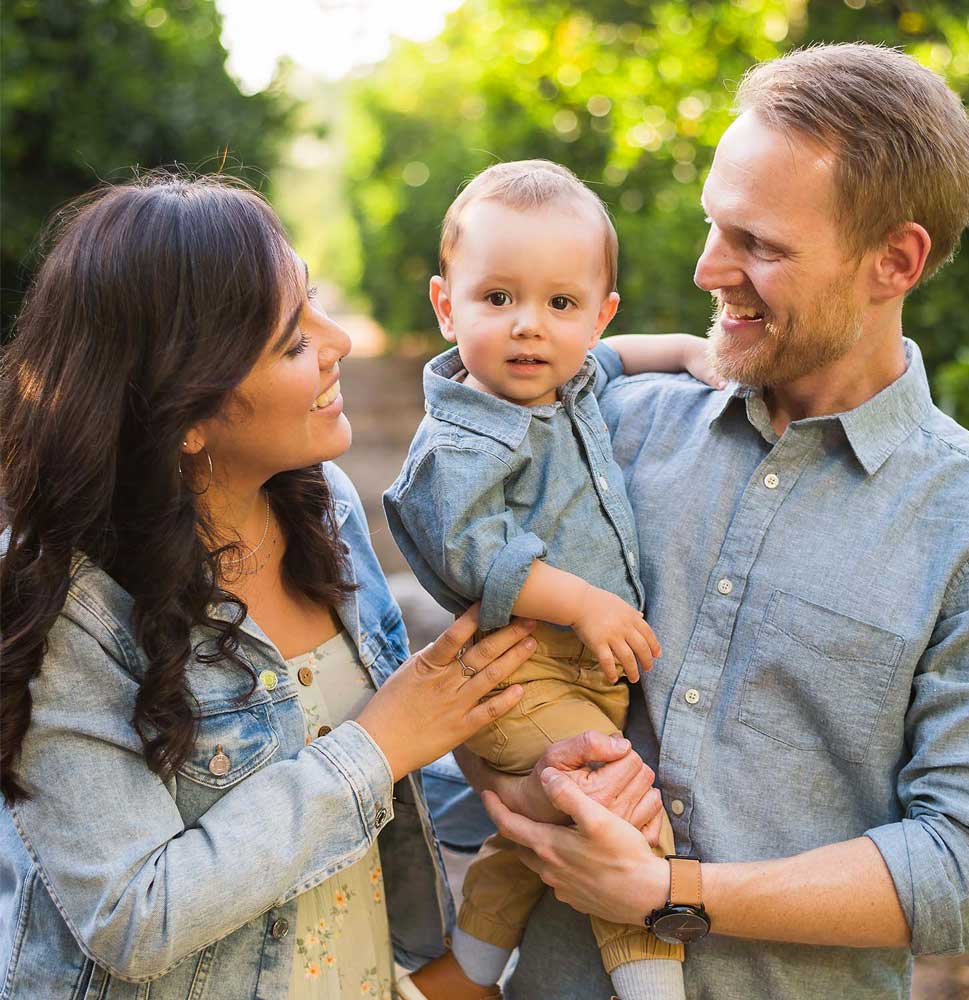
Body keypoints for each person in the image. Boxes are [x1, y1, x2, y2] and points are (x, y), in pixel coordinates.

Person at [465, 43, 969, 999]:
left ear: (896, 260)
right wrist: (525, 771)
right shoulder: (608, 432)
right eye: (717, 227)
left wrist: (673, 894)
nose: (712, 269)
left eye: (760, 244)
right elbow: (471, 665)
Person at [0, 173, 559, 999]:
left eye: (315, 305)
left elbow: (350, 754)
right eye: (293, 342)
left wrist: (528, 782)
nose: (336, 341)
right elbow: (131, 914)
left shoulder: (321, 505)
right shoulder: (67, 602)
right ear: (185, 415)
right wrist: (383, 746)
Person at [383, 160, 721, 1000]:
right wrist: (583, 601)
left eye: (560, 304)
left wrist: (684, 350)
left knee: (527, 844)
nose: (530, 327)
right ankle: (653, 983)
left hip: (583, 674)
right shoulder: (459, 440)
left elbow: (617, 356)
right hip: (524, 665)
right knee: (602, 813)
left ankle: (466, 969)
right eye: (497, 299)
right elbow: (473, 551)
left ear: (597, 311)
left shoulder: (572, 377)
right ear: (445, 303)